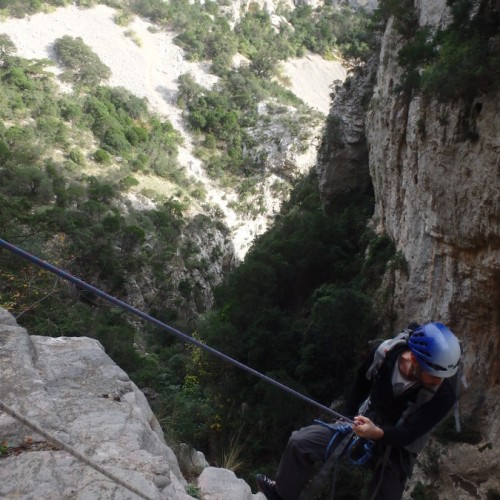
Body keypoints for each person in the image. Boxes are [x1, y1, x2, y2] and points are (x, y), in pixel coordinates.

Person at [256, 322, 462, 500]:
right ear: (416, 360)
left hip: (400, 446)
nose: (439, 381)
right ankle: (281, 494)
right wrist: (346, 416)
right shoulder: (385, 353)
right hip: (366, 419)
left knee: (387, 494)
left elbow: (409, 433)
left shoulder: (444, 395)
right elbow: (361, 382)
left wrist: (376, 433)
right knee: (300, 442)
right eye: (434, 375)